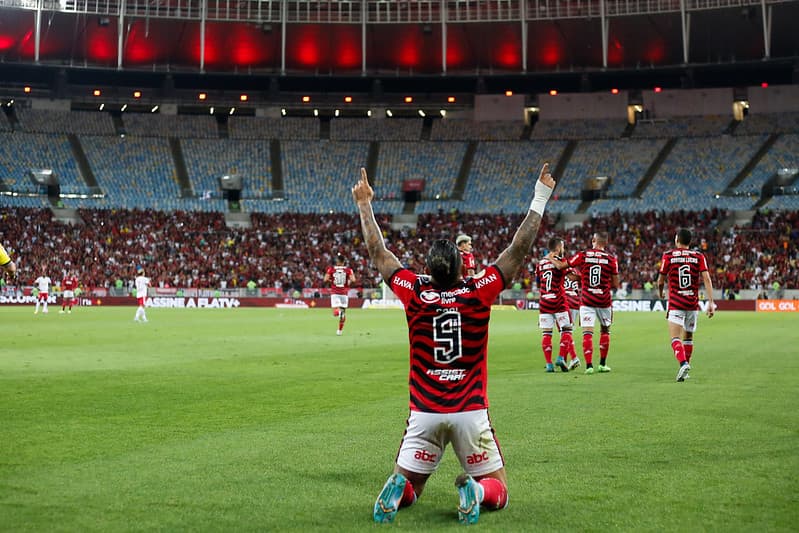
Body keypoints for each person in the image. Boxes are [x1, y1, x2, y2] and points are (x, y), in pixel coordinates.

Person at [354, 163, 556, 525]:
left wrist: (365, 205)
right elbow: (517, 249)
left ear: (428, 270)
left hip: (424, 414)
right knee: (499, 491)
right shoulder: (479, 291)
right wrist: (540, 197)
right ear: (463, 268)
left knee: (412, 485)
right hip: (469, 413)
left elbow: (379, 254)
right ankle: (476, 492)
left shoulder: (413, 290)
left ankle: (399, 490)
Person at [656, 228, 715, 382]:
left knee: (675, 338)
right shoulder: (698, 256)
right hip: (692, 303)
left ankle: (683, 363)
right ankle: (686, 367)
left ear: (677, 240)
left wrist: (661, 292)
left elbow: (660, 280)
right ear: (690, 242)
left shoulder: (669, 256)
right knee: (688, 336)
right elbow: (707, 279)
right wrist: (710, 302)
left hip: (676, 303)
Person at [567, 232, 620, 374]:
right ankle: (602, 364)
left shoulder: (583, 255)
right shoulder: (611, 259)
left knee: (587, 333)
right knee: (605, 331)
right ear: (606, 243)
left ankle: (589, 366)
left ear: (593, 240)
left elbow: (567, 265)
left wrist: (580, 278)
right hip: (604, 301)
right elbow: (615, 284)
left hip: (587, 300)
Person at [535, 237, 574, 373]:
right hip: (558, 301)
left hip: (544, 301)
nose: (564, 249)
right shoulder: (560, 260)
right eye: (562, 247)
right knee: (567, 329)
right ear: (558, 247)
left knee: (546, 333)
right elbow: (566, 270)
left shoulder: (540, 263)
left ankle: (549, 364)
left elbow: (538, 283)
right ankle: (561, 357)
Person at [323, 254, 356, 336]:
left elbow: (325, 279)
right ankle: (340, 331)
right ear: (344, 262)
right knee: (343, 312)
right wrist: (348, 282)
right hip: (344, 294)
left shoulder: (331, 269)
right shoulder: (349, 270)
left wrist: (332, 281)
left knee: (335, 312)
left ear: (337, 261)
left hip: (335, 292)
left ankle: (339, 313)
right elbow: (353, 280)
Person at [563, 266, 582, 370]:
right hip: (575, 301)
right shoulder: (576, 271)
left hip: (565, 300)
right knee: (567, 332)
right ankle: (564, 360)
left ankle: (573, 358)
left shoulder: (560, 270)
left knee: (565, 333)